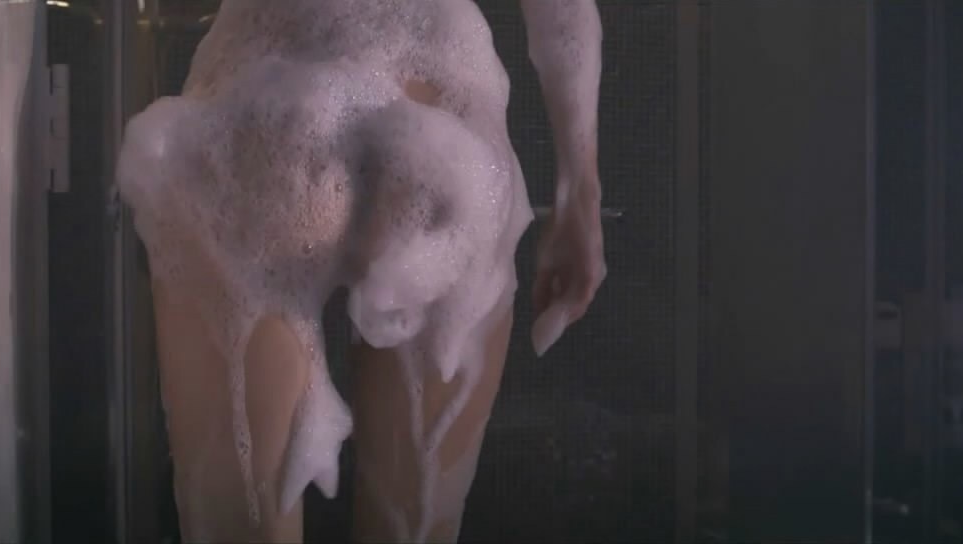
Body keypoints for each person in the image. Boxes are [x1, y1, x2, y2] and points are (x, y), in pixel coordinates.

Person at [116, 0, 605, 542]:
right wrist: (579, 196)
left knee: (239, 526)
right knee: (412, 526)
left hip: (260, 114)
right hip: (444, 134)